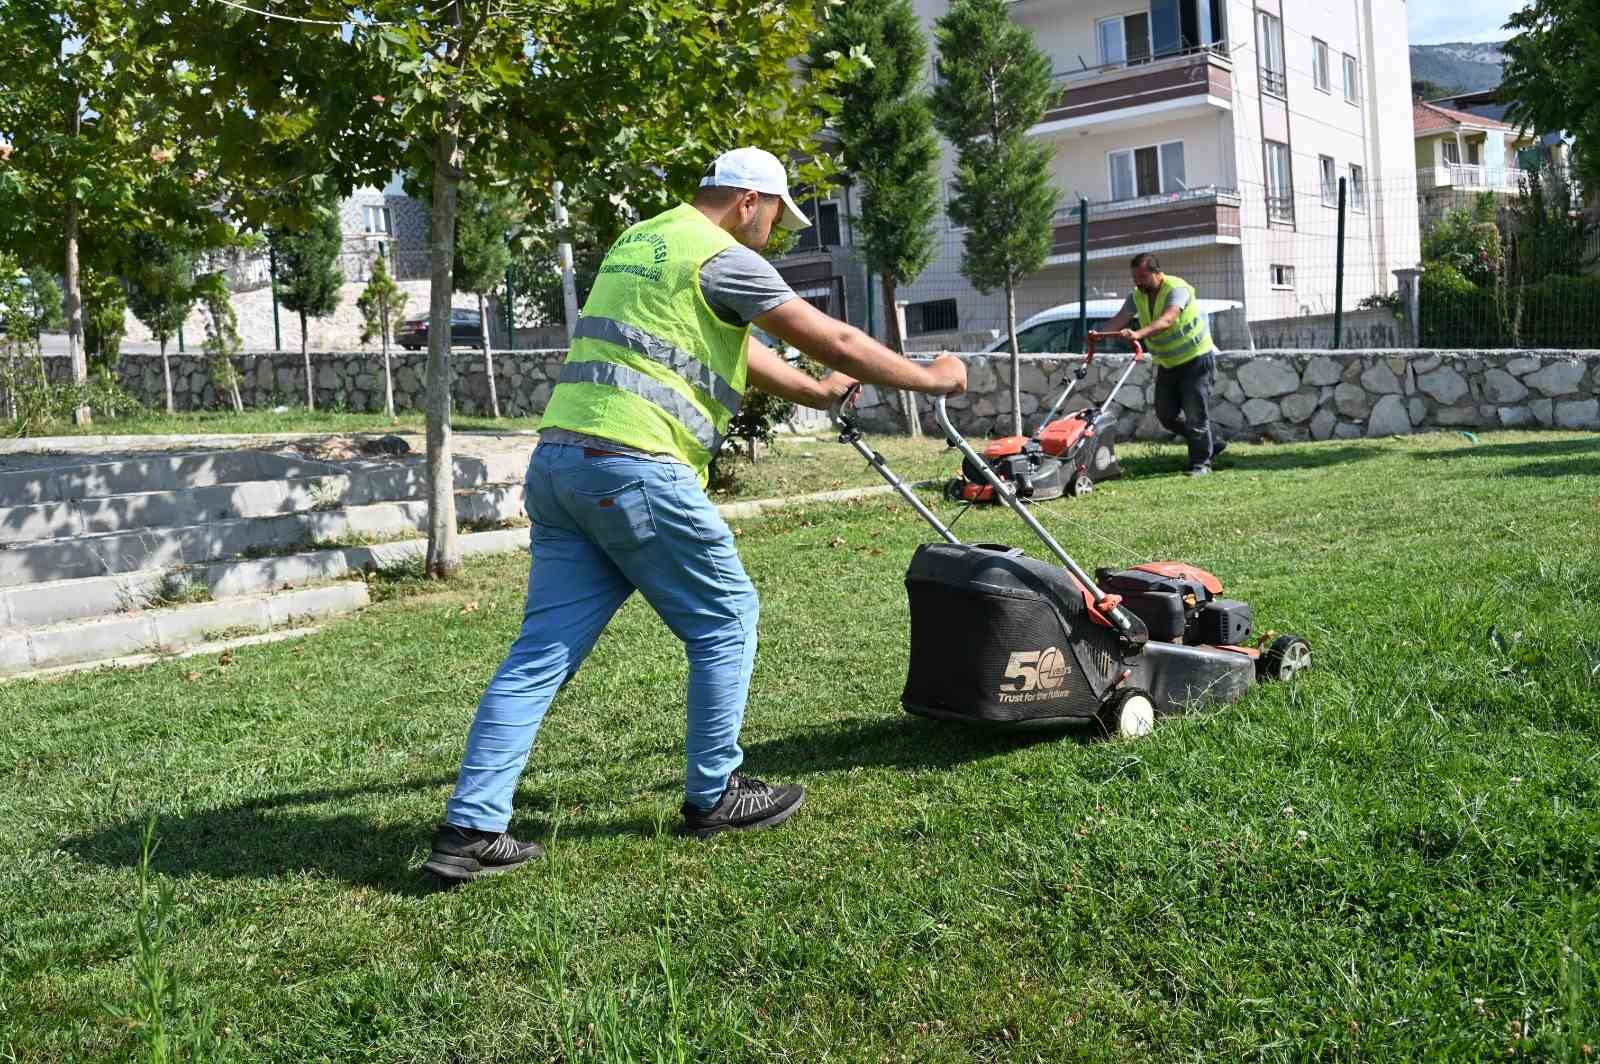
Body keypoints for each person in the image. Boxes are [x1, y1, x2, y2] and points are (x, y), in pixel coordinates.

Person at [423, 146, 968, 882]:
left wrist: (815, 392)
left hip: (560, 465)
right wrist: (932, 377)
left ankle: (471, 827)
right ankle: (715, 793)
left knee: (540, 653)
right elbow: (835, 338)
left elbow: (728, 353)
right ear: (748, 201)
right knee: (726, 617)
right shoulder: (723, 255)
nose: (774, 235)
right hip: (634, 466)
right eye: (776, 219)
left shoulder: (644, 240)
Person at [1092, 253, 1225, 476]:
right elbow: (1120, 318)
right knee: (1166, 414)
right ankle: (1211, 442)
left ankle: (1201, 463)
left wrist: (1138, 334)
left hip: (1196, 360)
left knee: (1195, 414)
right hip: (1169, 364)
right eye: (1135, 278)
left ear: (1157, 273)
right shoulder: (1137, 296)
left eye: (1143, 277)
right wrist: (1099, 334)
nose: (1138, 282)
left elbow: (1167, 320)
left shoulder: (1177, 289)